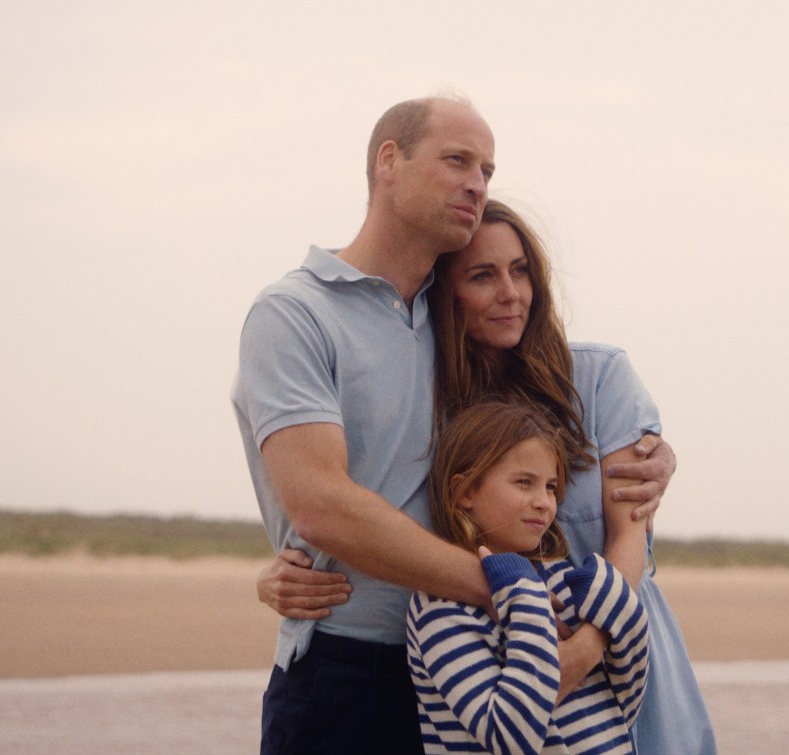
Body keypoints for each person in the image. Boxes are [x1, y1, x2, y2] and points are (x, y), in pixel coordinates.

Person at [233, 97, 673, 755]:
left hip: (466, 674)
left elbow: (540, 434)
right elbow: (321, 506)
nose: (477, 183)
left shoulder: (455, 332)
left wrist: (655, 454)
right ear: (390, 161)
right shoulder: (295, 314)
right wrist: (504, 588)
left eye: (488, 171)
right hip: (349, 668)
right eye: (457, 161)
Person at [407, 400, 649, 754]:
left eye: (551, 487)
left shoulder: (562, 578)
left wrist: (616, 602)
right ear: (466, 491)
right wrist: (523, 594)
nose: (544, 502)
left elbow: (625, 698)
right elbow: (509, 737)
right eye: (524, 483)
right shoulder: (440, 608)